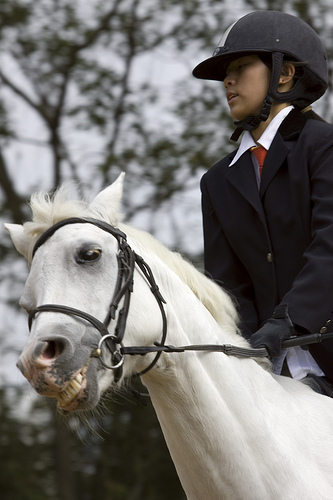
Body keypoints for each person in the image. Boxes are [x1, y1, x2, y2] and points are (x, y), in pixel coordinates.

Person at [192, 10, 333, 396]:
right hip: (267, 372)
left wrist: (288, 320)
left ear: (284, 74)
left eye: (240, 66)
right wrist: (247, 346)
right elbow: (228, 285)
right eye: (225, 72)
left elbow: (330, 247)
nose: (227, 80)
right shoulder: (216, 182)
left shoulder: (324, 147)